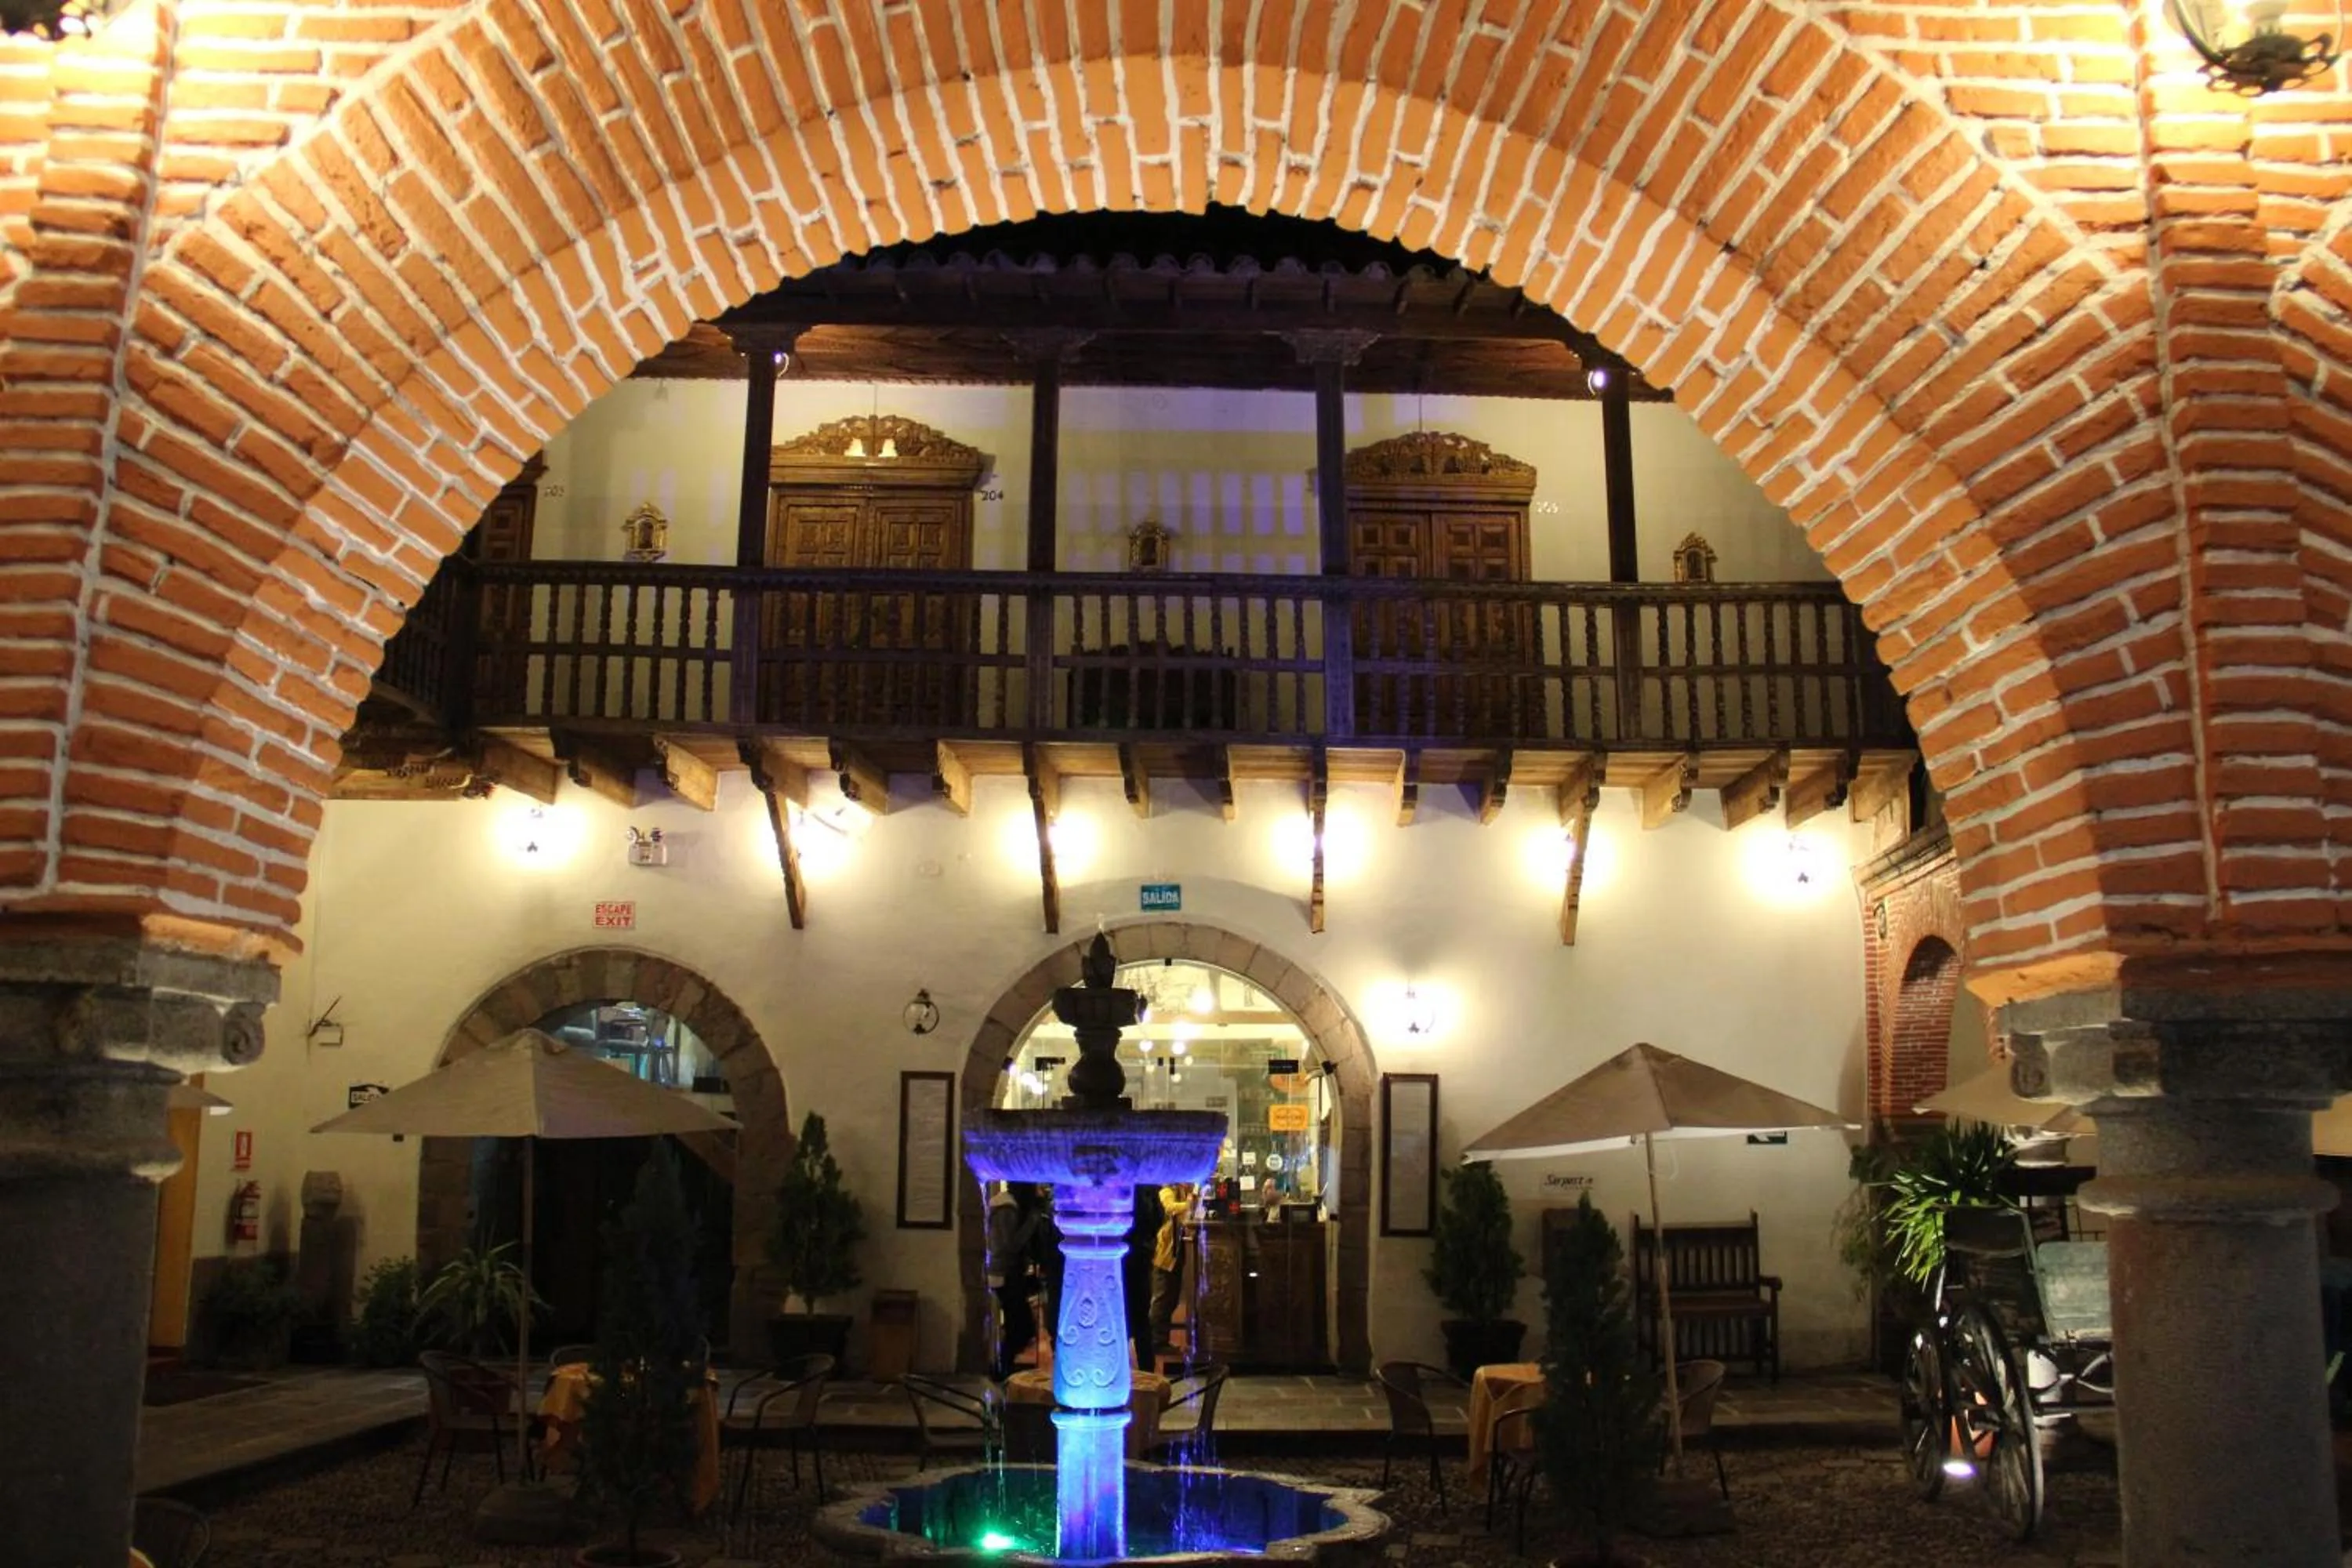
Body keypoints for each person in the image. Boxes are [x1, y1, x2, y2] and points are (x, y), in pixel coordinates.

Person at [986, 1183, 1043, 1381]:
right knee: (1020, 1327)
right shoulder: (1007, 1209)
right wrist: (1032, 1222)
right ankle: (1002, 1369)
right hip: (1005, 1275)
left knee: (1018, 1326)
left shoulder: (1007, 1206)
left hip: (1008, 1274)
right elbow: (1009, 1245)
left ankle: (1004, 1368)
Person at [1149, 1183, 1192, 1360]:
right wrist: (1190, 1203)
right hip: (1165, 1256)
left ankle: (1162, 1340)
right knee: (1162, 1299)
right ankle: (1155, 1342)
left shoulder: (1182, 1190)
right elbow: (1170, 1207)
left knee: (1171, 1299)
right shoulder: (1166, 1191)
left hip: (1175, 1255)